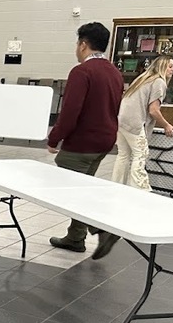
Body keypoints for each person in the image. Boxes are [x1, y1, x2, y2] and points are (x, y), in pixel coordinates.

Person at [47, 22, 125, 255]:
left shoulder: (82, 72)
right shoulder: (114, 72)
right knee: (83, 185)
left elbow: (71, 111)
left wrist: (55, 137)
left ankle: (104, 228)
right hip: (105, 139)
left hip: (83, 141)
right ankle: (75, 237)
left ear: (83, 44)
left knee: (69, 189)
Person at [93, 56, 173, 260]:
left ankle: (117, 187)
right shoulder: (158, 82)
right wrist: (166, 125)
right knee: (141, 153)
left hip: (121, 122)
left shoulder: (142, 78)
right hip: (134, 123)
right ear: (162, 67)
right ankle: (140, 190)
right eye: (171, 66)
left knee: (123, 155)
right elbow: (153, 110)